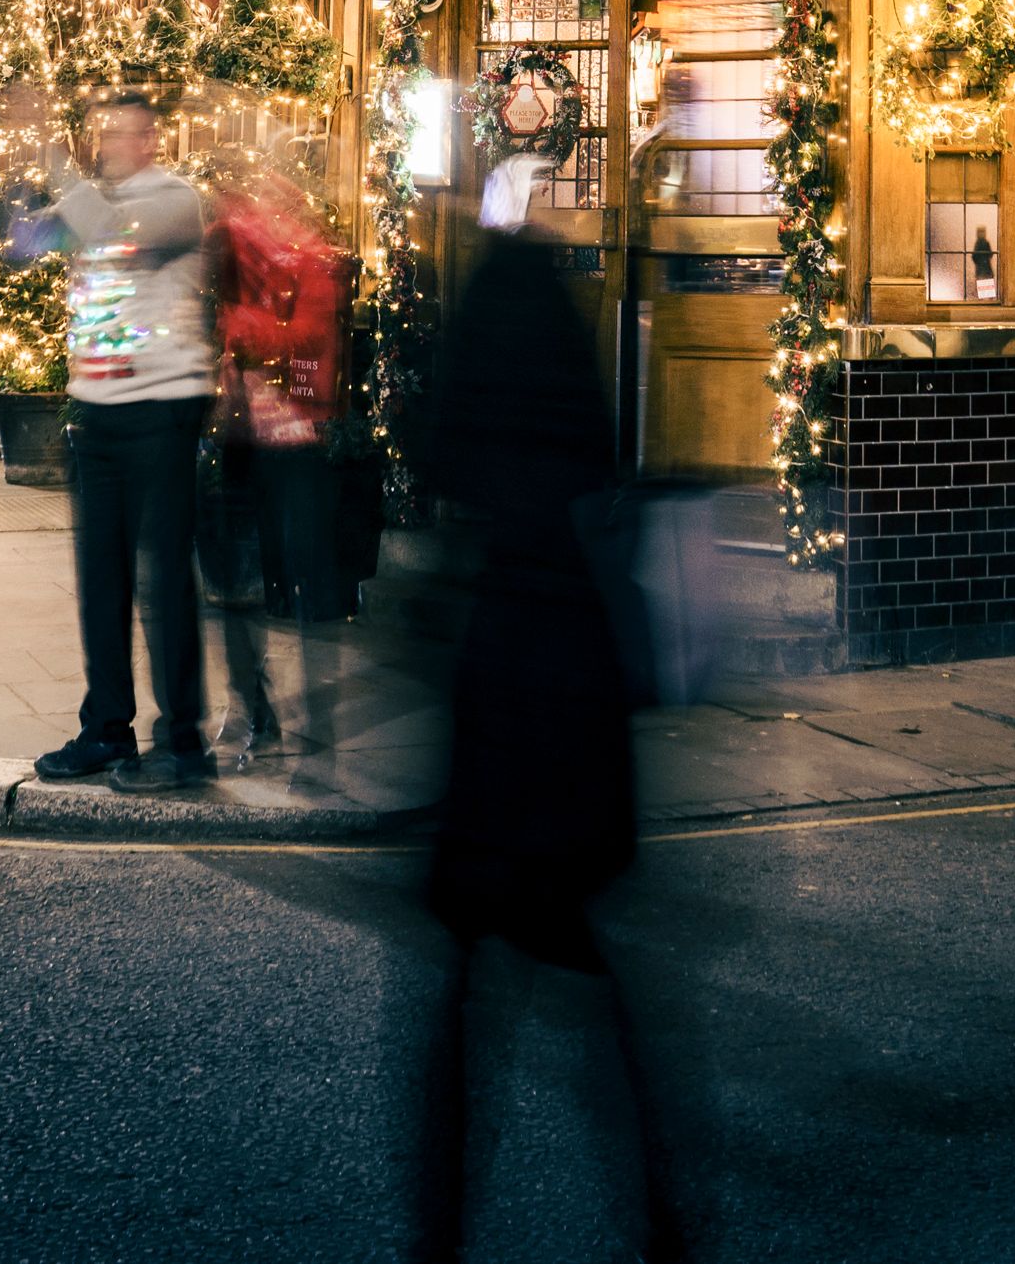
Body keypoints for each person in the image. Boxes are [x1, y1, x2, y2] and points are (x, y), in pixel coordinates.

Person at [412, 214, 684, 1264]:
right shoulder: (574, 406)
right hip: (573, 702)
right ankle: (658, 1214)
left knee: (464, 1008)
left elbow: (445, 462)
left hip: (496, 709)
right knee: (593, 992)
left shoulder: (478, 462)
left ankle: (440, 1228)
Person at [4, 84, 216, 790]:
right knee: (102, 582)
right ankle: (107, 731)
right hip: (95, 411)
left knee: (161, 582)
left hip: (162, 409)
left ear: (151, 139)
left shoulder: (174, 201)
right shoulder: (88, 198)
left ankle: (184, 743)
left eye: (123, 132)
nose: (108, 145)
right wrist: (18, 169)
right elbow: (23, 247)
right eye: (102, 134)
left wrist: (55, 161)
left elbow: (108, 232)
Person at [207, 129, 350, 761]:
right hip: (240, 435)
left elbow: (309, 337)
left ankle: (313, 727)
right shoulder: (236, 254)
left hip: (296, 440)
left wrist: (246, 328)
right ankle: (252, 711)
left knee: (300, 585)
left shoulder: (315, 263)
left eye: (277, 198)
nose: (265, 207)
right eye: (259, 196)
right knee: (237, 585)